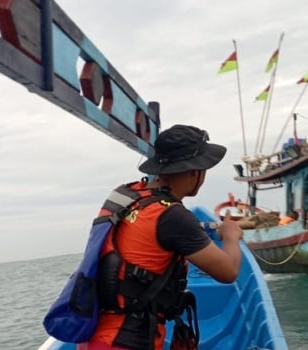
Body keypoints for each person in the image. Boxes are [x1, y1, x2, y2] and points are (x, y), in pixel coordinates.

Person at [82, 125, 243, 350]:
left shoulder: (129, 194)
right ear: (194, 171)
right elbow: (229, 272)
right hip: (126, 342)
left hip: (94, 335)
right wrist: (231, 236)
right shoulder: (172, 216)